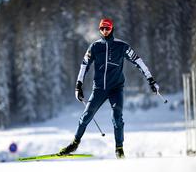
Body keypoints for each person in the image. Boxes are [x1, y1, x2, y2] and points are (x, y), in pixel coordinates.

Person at [59, 18, 159, 159]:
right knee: (86, 116)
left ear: (112, 28)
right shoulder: (94, 47)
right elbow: (84, 65)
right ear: (99, 30)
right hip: (99, 88)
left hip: (116, 89)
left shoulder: (121, 46)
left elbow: (138, 61)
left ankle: (119, 149)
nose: (105, 31)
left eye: (107, 28)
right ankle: (74, 143)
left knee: (117, 117)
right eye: (102, 29)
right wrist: (78, 85)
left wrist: (150, 79)